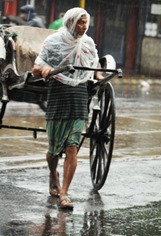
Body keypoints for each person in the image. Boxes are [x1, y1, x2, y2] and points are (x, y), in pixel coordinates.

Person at [32, 7, 104, 209]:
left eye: (85, 22)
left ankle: (64, 193)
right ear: (70, 22)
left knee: (72, 147)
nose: (83, 27)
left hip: (79, 95)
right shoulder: (53, 42)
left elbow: (94, 64)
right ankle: (53, 173)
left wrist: (99, 76)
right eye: (79, 22)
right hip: (58, 95)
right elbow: (36, 68)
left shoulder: (88, 43)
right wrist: (44, 69)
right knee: (53, 151)